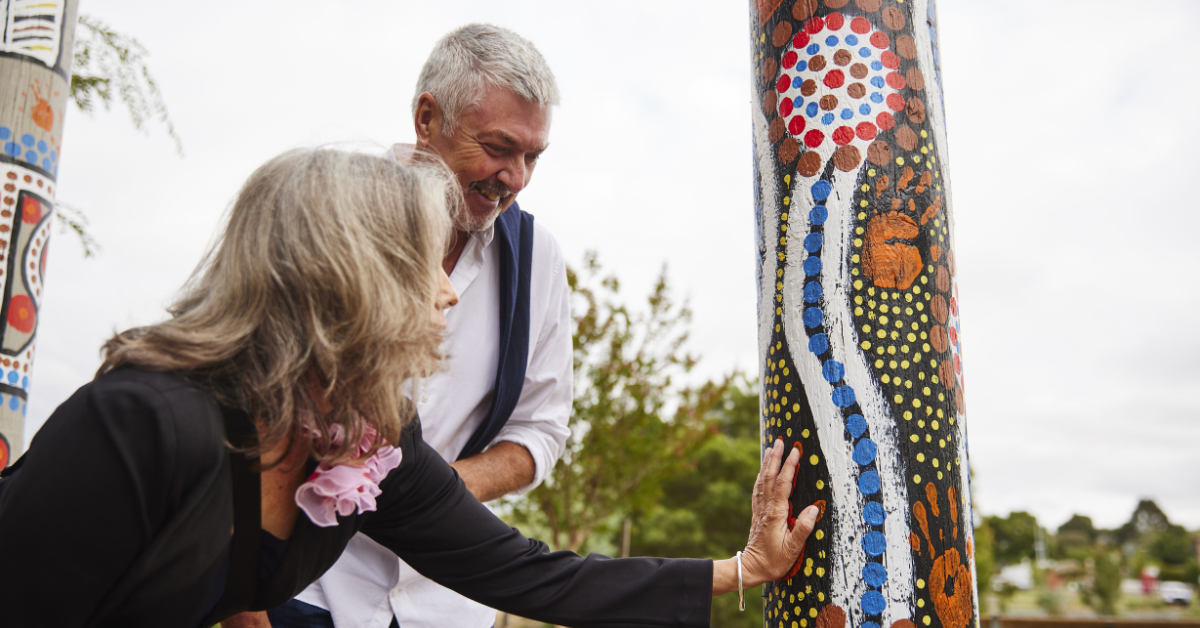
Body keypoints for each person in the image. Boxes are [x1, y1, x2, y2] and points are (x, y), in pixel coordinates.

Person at [0, 147, 819, 628]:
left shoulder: (363, 435)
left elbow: (523, 572)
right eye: (421, 266)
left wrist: (740, 567)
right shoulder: (139, 425)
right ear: (346, 278)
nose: (450, 292)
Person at [243, 23, 571, 628]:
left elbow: (543, 431)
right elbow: (246, 410)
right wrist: (245, 607)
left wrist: (427, 493)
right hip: (301, 590)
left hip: (446, 605)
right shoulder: (329, 215)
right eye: (499, 148)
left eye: (532, 157)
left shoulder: (539, 261)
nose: (516, 177)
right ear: (427, 118)